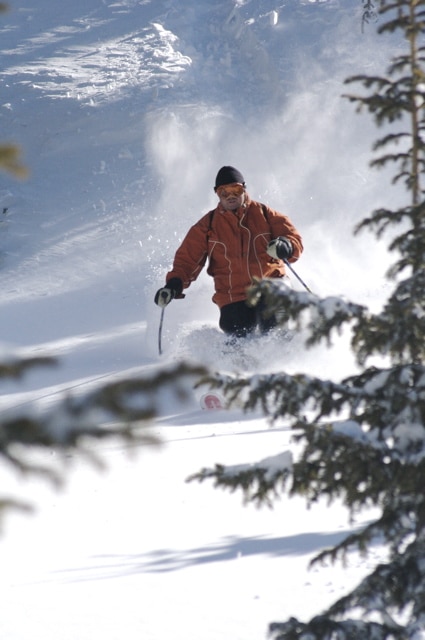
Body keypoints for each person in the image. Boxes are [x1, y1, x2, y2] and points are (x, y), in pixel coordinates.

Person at [154, 166, 303, 338]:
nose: (231, 196)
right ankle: (240, 363)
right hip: (233, 296)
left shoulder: (264, 214)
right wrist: (173, 285)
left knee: (275, 322)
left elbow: (292, 237)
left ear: (244, 188)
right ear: (217, 194)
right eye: (224, 192)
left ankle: (287, 355)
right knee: (238, 334)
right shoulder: (207, 226)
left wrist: (286, 245)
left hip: (271, 284)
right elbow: (187, 261)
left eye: (236, 189)